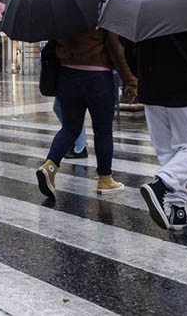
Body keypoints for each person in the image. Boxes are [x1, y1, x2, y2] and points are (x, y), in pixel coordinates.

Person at [124, 26, 187, 231]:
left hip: (150, 88)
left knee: (167, 153)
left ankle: (178, 210)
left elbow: (128, 49)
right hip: (183, 86)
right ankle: (160, 185)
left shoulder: (139, 12)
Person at [36, 27, 137, 201]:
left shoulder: (61, 13)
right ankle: (105, 179)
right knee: (103, 130)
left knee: (70, 128)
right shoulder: (99, 10)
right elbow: (114, 47)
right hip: (97, 77)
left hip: (67, 75)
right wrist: (130, 80)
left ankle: (49, 166)